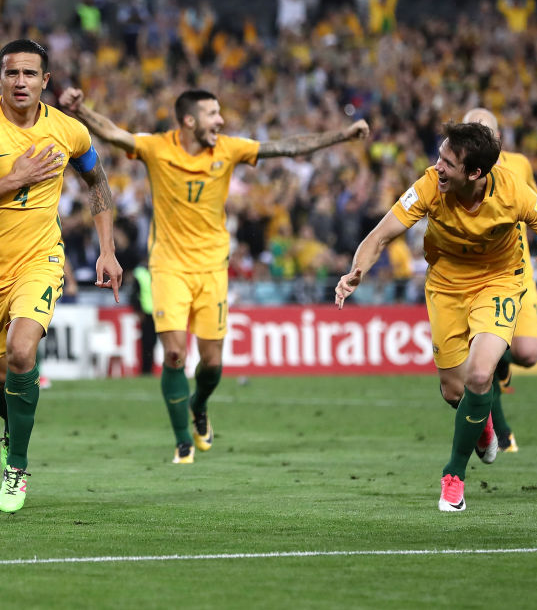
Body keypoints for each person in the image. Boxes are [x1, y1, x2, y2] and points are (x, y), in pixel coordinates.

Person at [59, 86, 369, 464]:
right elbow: (112, 133)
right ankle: (181, 442)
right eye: (213, 114)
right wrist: (81, 110)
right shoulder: (157, 147)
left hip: (212, 269)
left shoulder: (229, 148)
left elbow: (289, 146)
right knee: (174, 354)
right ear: (189, 121)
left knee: (213, 365)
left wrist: (342, 134)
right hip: (168, 267)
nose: (220, 120)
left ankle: (199, 405)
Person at [335, 121, 537, 512]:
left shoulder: (513, 193)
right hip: (445, 286)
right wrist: (359, 268)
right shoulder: (428, 186)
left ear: (475, 173)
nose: (437, 167)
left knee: (479, 374)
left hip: (499, 283)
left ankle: (453, 476)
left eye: (447, 163)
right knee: (454, 392)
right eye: (439, 156)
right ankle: (484, 420)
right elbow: (380, 235)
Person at [0, 39, 122, 513]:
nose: (21, 82)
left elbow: (96, 180)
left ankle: (16, 467)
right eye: (12, 73)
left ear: (46, 81)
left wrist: (107, 250)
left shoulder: (68, 130)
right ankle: (11, 430)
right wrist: (13, 179)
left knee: (22, 352)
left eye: (30, 74)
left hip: (40, 259)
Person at [462, 107, 537, 453]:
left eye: (483, 132)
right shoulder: (458, 171)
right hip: (476, 279)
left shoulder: (518, 166)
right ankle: (501, 434)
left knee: (528, 353)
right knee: (480, 363)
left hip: (518, 271)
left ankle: (503, 361)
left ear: (497, 139)